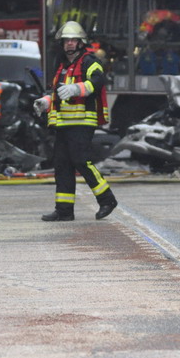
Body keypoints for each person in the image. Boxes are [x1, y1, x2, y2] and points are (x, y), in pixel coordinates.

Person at [33, 21, 118, 222]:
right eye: (66, 41)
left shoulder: (89, 61)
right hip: (63, 123)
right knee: (62, 164)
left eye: (73, 40)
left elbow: (97, 82)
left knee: (81, 160)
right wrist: (46, 102)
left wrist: (76, 89)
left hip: (82, 121)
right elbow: (57, 92)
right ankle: (64, 210)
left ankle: (107, 199)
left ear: (81, 43)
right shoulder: (62, 65)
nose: (70, 44)